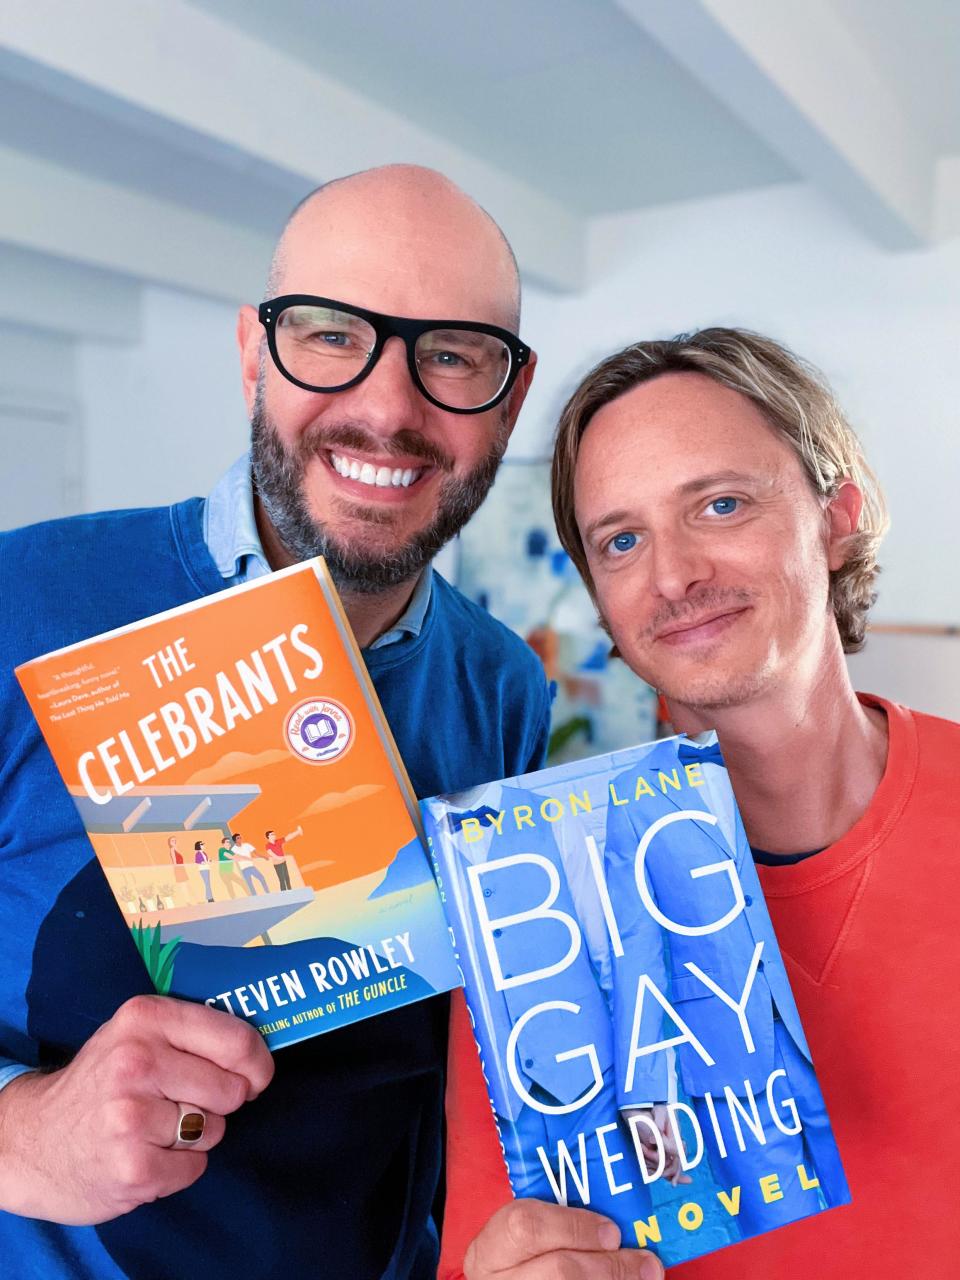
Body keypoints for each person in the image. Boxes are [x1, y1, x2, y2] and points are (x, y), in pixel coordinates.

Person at [0, 164, 550, 1280]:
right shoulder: (23, 600)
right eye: (332, 333)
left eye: (450, 353)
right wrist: (18, 1135)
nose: (389, 408)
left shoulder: (505, 685)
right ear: (255, 350)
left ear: (512, 393)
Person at [442, 327, 960, 1279]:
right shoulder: (532, 906)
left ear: (837, 519)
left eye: (720, 505)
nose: (673, 576)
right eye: (622, 540)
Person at [264, 826, 302, 892]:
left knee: (287, 878)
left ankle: (290, 891)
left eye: (274, 834)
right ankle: (283, 893)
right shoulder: (268, 845)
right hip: (277, 864)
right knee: (282, 879)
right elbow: (270, 853)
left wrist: (298, 832)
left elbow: (288, 837)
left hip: (283, 862)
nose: (274, 835)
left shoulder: (278, 841)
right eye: (272, 834)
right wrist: (279, 858)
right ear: (268, 837)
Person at [216, 834, 242, 900]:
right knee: (229, 885)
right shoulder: (221, 850)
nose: (229, 843)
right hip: (223, 873)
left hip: (230, 872)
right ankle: (233, 898)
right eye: (227, 842)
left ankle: (250, 895)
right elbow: (228, 856)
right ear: (223, 844)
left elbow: (237, 856)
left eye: (229, 842)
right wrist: (235, 858)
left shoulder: (231, 851)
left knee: (241, 882)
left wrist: (241, 858)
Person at [193, 840, 214, 904]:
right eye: (202, 844)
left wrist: (209, 860)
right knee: (207, 883)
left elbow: (206, 860)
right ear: (198, 846)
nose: (203, 845)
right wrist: (207, 862)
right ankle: (209, 898)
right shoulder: (198, 854)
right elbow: (198, 862)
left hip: (207, 868)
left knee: (208, 883)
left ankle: (209, 898)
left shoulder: (204, 853)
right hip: (203, 869)